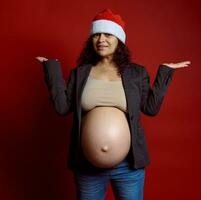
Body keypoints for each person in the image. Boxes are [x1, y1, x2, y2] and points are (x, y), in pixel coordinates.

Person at [35, 8, 190, 200]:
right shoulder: (81, 73)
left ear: (119, 39)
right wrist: (52, 70)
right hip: (87, 165)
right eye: (96, 35)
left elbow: (151, 108)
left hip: (128, 166)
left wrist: (165, 72)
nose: (101, 40)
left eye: (108, 34)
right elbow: (62, 107)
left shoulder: (136, 73)